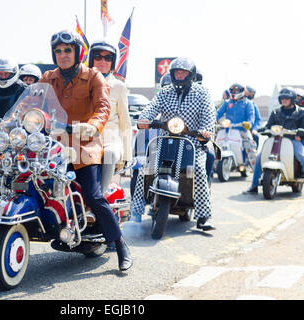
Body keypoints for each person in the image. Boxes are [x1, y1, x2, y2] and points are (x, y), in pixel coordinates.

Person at [38, 30, 133, 271]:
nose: (63, 55)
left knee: (93, 194)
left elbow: (102, 109)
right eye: (58, 51)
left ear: (78, 52)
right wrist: (17, 121)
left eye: (67, 50)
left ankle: (120, 243)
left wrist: (91, 127)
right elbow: (30, 103)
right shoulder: (48, 78)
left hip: (84, 144)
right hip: (53, 145)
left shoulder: (94, 77)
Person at [134, 57, 216, 231]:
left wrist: (206, 131)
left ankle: (203, 217)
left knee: (199, 170)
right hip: (165, 140)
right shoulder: (165, 92)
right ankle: (137, 210)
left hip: (192, 141)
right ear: (171, 74)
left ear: (191, 75)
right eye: (176, 72)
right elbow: (152, 107)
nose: (179, 75)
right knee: (145, 167)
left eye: (183, 72)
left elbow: (209, 116)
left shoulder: (202, 93)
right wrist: (144, 118)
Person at [88, 39, 132, 194]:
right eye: (98, 57)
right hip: (83, 139)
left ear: (113, 62)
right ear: (91, 59)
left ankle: (100, 198)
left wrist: (127, 155)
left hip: (110, 141)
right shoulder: (80, 83)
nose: (102, 61)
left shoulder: (118, 87)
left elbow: (125, 122)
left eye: (107, 58)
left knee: (109, 154)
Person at [243, 88, 304, 194]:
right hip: (276, 140)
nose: (284, 100)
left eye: (287, 98)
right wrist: (262, 129)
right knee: (259, 158)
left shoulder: (301, 112)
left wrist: (300, 132)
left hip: (293, 140)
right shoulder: (276, 112)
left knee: (300, 154)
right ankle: (253, 186)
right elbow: (268, 126)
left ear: (292, 99)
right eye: (282, 98)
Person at [216, 83, 257, 168]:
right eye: (232, 91)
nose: (234, 92)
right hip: (227, 129)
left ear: (242, 91)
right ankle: (213, 165)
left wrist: (249, 123)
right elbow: (218, 113)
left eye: (236, 91)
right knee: (216, 144)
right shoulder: (227, 103)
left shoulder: (248, 103)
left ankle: (255, 168)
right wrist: (212, 119)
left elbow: (251, 116)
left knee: (250, 146)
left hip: (242, 129)